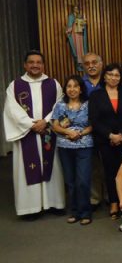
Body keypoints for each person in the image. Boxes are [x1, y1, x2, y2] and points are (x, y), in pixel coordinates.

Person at [3, 50, 65, 218]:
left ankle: (54, 203)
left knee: (53, 166)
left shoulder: (53, 84)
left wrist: (45, 121)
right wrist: (31, 125)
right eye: (31, 62)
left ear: (43, 65)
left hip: (49, 132)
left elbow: (59, 107)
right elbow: (12, 110)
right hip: (26, 134)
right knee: (27, 168)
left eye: (38, 62)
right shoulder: (15, 85)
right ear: (25, 65)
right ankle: (30, 208)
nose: (35, 65)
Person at [89, 63, 122, 220]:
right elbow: (94, 120)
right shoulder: (96, 96)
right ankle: (114, 202)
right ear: (104, 76)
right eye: (110, 74)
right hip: (106, 140)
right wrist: (111, 136)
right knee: (110, 172)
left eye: (117, 75)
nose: (113, 78)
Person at [51, 75, 93, 225]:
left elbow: (92, 125)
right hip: (64, 147)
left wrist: (80, 133)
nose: (72, 89)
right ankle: (74, 212)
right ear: (65, 89)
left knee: (83, 180)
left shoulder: (88, 105)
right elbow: (55, 125)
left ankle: (85, 212)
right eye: (69, 86)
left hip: (84, 146)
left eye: (75, 86)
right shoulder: (60, 105)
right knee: (70, 181)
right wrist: (68, 132)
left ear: (81, 89)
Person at [81, 52, 104, 210]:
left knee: (110, 164)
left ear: (101, 64)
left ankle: (112, 196)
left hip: (109, 128)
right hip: (87, 129)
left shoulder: (109, 80)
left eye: (94, 62)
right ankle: (95, 198)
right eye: (87, 63)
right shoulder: (79, 84)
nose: (91, 66)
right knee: (93, 165)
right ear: (83, 66)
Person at [66, 5, 88, 71]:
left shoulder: (80, 16)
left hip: (80, 34)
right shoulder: (71, 16)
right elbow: (69, 25)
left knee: (81, 48)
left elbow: (83, 25)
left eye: (77, 8)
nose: (76, 10)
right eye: (75, 8)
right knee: (76, 49)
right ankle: (78, 63)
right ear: (73, 9)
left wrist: (83, 23)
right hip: (74, 34)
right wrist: (68, 30)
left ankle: (82, 62)